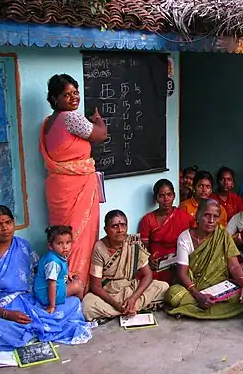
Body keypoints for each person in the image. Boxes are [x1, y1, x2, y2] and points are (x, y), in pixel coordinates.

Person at [0, 205, 94, 352]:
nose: (5, 228)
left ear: (13, 223)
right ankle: (38, 330)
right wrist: (8, 314)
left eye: (8, 222)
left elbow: (39, 270)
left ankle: (32, 331)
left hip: (31, 298)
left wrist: (63, 274)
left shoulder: (22, 245)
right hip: (1, 305)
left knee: (74, 303)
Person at [39, 74, 107, 284]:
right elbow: (100, 135)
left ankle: (60, 284)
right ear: (54, 98)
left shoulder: (48, 123)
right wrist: (98, 121)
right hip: (75, 187)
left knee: (63, 238)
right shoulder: (70, 117)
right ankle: (77, 286)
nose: (73, 98)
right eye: (66, 94)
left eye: (75, 93)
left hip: (59, 187)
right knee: (76, 240)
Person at [165, 199, 243, 319]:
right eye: (207, 215)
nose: (211, 221)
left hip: (217, 286)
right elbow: (182, 273)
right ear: (198, 216)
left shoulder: (222, 235)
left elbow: (234, 265)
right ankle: (210, 306)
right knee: (173, 294)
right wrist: (198, 295)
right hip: (192, 287)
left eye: (215, 217)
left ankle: (190, 309)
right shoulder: (185, 238)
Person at [82, 210, 169, 321]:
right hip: (109, 292)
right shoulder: (99, 247)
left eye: (123, 225)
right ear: (106, 230)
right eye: (115, 226)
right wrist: (116, 305)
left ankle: (127, 307)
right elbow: (96, 286)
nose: (120, 230)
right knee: (87, 307)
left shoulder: (133, 243)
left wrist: (133, 298)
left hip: (130, 289)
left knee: (163, 287)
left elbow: (148, 275)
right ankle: (130, 308)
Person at [139, 179, 194, 284]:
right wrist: (149, 259)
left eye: (169, 195)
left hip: (178, 260)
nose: (166, 199)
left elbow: (192, 242)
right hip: (156, 263)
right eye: (161, 195)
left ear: (174, 196)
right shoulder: (148, 219)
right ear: (156, 198)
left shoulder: (184, 217)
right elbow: (143, 248)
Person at [34, 226, 84, 314]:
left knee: (74, 279)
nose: (65, 247)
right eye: (60, 243)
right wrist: (52, 306)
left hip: (52, 288)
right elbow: (51, 284)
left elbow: (61, 268)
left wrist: (68, 272)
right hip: (45, 295)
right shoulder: (53, 262)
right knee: (78, 286)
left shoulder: (58, 254)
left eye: (68, 242)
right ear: (50, 245)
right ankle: (81, 307)